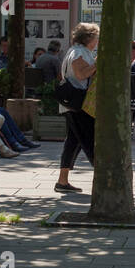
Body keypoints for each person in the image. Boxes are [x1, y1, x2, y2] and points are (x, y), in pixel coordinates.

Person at [56, 23, 99, 192]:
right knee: (89, 139)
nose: (97, 41)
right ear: (89, 38)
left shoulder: (78, 51)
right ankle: (103, 178)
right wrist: (97, 63)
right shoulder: (78, 53)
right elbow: (81, 74)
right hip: (80, 104)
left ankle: (62, 181)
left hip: (74, 104)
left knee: (73, 142)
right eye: (96, 37)